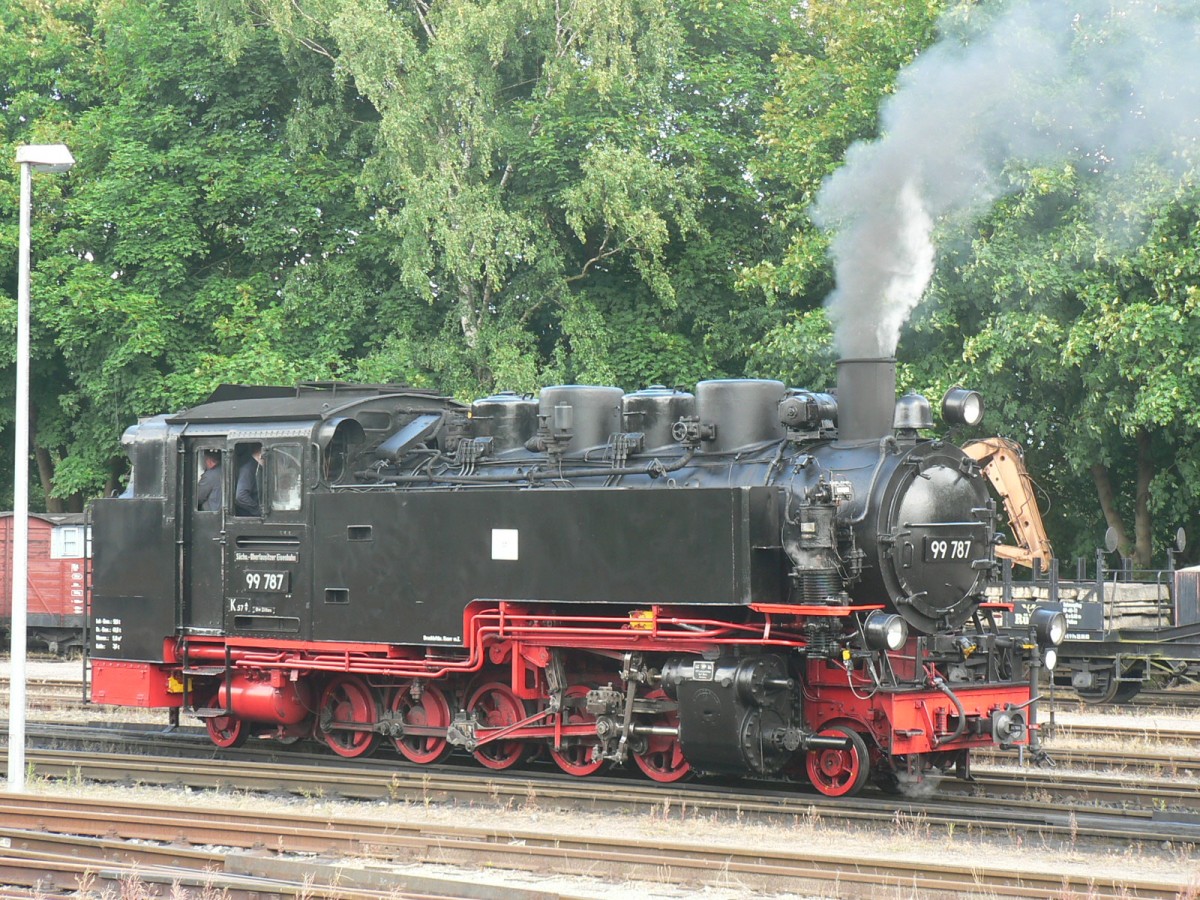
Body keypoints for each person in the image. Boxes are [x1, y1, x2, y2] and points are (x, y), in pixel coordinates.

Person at [235, 443, 263, 516]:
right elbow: (240, 496)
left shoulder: (255, 466)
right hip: (248, 516)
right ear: (262, 454)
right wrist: (258, 511)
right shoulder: (248, 470)